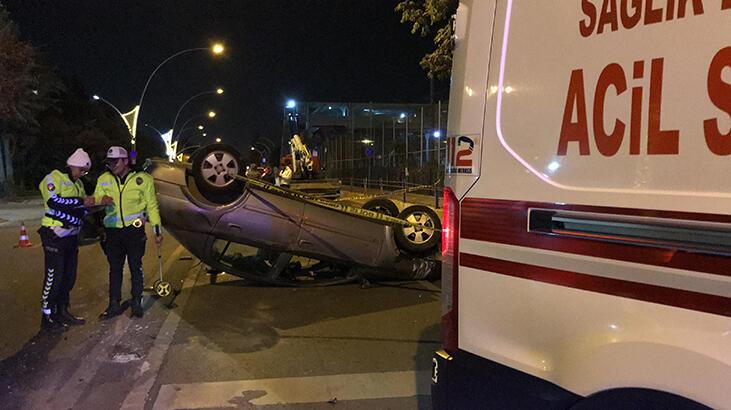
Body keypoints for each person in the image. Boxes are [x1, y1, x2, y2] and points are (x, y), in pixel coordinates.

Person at [38, 148, 107, 330]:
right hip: (54, 235)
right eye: (81, 170)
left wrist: (98, 204)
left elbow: (82, 209)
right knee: (54, 277)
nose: (82, 174)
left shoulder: (78, 185)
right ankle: (47, 317)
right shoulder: (53, 179)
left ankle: (62, 311)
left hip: (71, 237)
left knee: (69, 277)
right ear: (72, 165)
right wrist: (82, 202)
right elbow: (55, 202)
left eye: (85, 172)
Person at [94, 146, 162, 319]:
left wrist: (156, 229)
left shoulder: (143, 179)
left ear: (125, 161)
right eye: (109, 162)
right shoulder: (104, 179)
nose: (111, 165)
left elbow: (151, 205)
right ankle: (113, 304)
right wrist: (101, 201)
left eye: (114, 161)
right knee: (115, 269)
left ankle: (136, 302)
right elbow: (97, 200)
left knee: (135, 267)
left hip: (134, 231)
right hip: (113, 231)